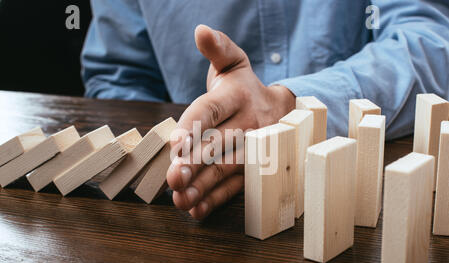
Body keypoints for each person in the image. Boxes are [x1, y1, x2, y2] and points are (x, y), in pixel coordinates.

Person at [82, 0, 449, 219]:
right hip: (197, 202)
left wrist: (291, 104)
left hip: (350, 193)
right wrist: (168, 160)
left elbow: (432, 44)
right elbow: (119, 75)